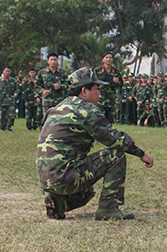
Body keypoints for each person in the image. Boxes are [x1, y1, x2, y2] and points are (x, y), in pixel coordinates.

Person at [36, 67, 154, 220]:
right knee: (115, 155)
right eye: (96, 89)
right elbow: (113, 138)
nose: (100, 93)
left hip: (48, 178)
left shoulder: (59, 107)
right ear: (84, 91)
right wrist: (142, 154)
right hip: (65, 176)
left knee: (88, 191)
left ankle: (58, 203)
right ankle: (108, 209)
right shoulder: (86, 109)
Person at [36, 53, 68, 122]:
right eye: (51, 60)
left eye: (55, 60)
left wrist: (60, 86)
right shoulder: (42, 72)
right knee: (46, 120)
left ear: (57, 61)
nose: (53, 61)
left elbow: (67, 85)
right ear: (48, 61)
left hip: (59, 101)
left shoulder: (62, 73)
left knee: (59, 120)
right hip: (47, 101)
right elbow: (37, 85)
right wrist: (43, 91)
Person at [95, 52, 122, 124]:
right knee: (100, 117)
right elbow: (91, 83)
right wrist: (97, 86)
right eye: (106, 57)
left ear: (112, 60)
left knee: (110, 118)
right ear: (103, 59)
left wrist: (117, 82)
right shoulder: (97, 71)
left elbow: (121, 85)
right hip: (100, 98)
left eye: (110, 58)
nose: (108, 59)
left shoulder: (116, 72)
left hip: (111, 98)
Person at [0, 66, 18, 131]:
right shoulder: (0, 80)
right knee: (2, 116)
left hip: (11, 101)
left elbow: (17, 89)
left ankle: (9, 125)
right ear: (3, 72)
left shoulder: (13, 80)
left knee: (12, 115)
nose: (8, 72)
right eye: (6, 71)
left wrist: (16, 93)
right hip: (2, 101)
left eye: (9, 71)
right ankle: (2, 127)